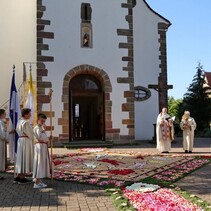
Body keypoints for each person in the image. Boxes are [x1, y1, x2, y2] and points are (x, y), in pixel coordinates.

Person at [14, 108, 34, 184]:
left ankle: (19, 175)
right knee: (24, 157)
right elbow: (31, 134)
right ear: (25, 114)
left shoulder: (19, 122)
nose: (30, 115)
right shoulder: (25, 123)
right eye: (29, 114)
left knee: (21, 158)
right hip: (25, 141)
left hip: (20, 140)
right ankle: (22, 177)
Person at [33, 113, 51, 188]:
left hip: (42, 146)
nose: (43, 123)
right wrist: (48, 138)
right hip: (40, 146)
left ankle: (39, 180)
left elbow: (42, 136)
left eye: (44, 121)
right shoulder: (37, 128)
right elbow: (40, 137)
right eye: (42, 121)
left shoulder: (40, 128)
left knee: (41, 163)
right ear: (38, 120)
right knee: (39, 163)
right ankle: (37, 182)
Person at [0, 109, 7, 180]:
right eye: (4, 114)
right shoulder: (1, 122)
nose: (5, 115)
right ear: (1, 114)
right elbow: (2, 135)